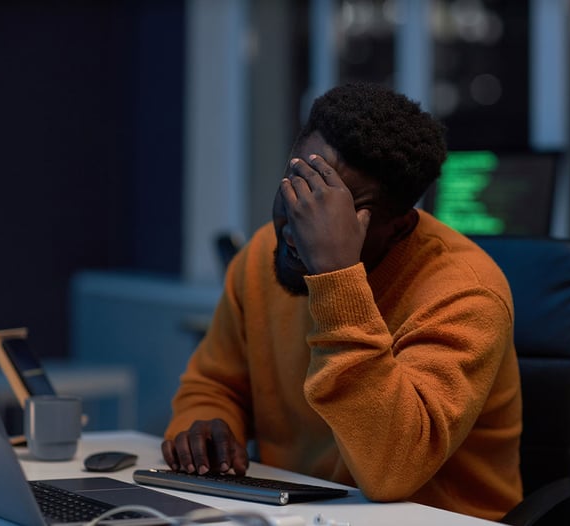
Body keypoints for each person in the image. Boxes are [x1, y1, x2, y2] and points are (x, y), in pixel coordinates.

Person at [162, 82, 522, 520]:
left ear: (399, 225)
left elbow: (391, 470)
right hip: (301, 511)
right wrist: (205, 423)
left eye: (339, 214)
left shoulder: (465, 293)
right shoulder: (259, 256)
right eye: (302, 188)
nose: (299, 230)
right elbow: (214, 384)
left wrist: (334, 277)